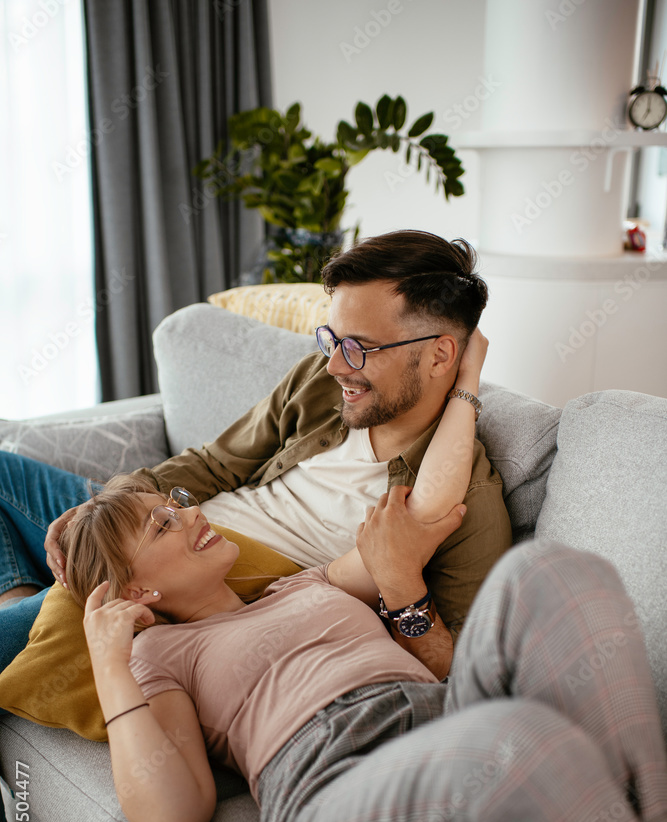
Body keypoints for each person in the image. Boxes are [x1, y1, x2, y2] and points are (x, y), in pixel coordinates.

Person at [57, 330, 667, 822]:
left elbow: (425, 513)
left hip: (442, 722)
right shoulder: (160, 654)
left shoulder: (303, 585)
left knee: (549, 571)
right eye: (162, 526)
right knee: (510, 745)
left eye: (173, 505)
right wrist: (108, 660)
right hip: (333, 806)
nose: (189, 513)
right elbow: (173, 818)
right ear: (137, 592)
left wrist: (463, 380)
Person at [0, 231, 512, 678]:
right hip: (160, 521)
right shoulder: (320, 381)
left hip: (185, 570)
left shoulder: (462, 492)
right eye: (330, 339)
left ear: (441, 354)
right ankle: (18, 590)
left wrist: (403, 594)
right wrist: (113, 505)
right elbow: (215, 466)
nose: (334, 364)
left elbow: (456, 667)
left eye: (357, 346)